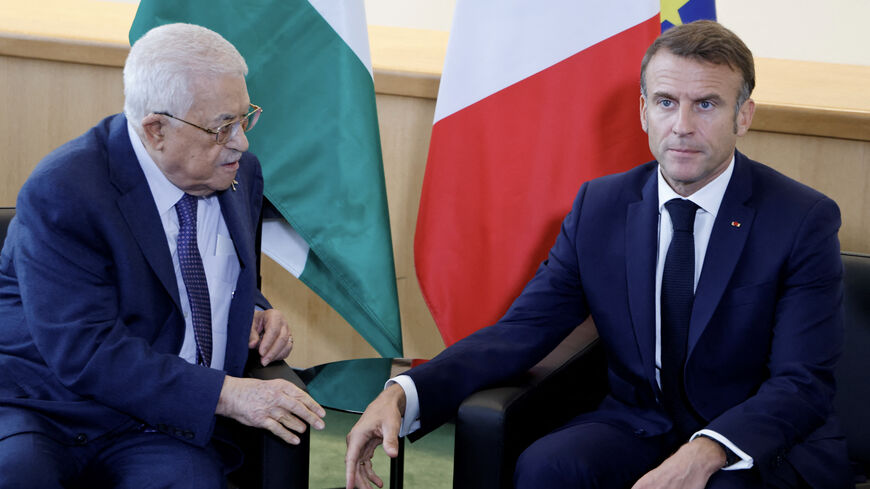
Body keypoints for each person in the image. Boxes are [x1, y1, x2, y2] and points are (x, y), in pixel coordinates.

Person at [345, 20, 850, 489]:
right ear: (643, 111)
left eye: (707, 104)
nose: (682, 126)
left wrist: (708, 450)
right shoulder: (600, 206)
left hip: (754, 442)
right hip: (640, 423)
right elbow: (521, 331)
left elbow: (801, 382)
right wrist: (404, 392)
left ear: (744, 115)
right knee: (547, 467)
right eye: (667, 101)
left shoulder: (801, 220)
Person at [0, 23, 325, 488]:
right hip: (46, 407)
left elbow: (201, 271)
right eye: (222, 127)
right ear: (155, 130)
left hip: (156, 420)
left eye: (245, 117)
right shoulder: (65, 191)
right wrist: (226, 394)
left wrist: (254, 310)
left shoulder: (238, 173)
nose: (241, 142)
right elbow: (85, 350)